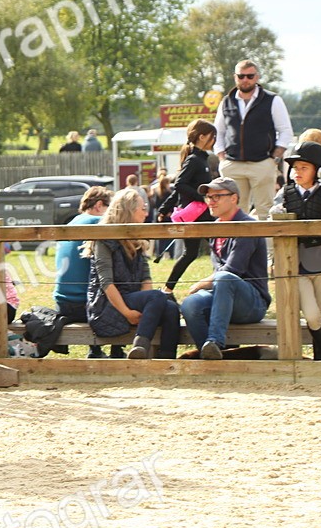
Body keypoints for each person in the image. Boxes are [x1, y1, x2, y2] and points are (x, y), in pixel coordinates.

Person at [179, 178, 271, 360]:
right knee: (190, 304)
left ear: (234, 198)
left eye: (217, 196)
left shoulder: (247, 226)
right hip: (222, 298)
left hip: (252, 303)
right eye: (208, 197)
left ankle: (215, 342)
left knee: (224, 278)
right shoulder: (216, 228)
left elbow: (233, 270)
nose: (211, 201)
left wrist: (201, 283)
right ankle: (211, 354)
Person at [83, 189, 181, 360]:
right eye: (142, 208)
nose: (146, 213)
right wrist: (128, 312)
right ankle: (139, 347)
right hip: (106, 305)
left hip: (129, 298)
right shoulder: (103, 239)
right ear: (129, 210)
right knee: (157, 297)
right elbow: (106, 283)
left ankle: (167, 360)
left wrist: (145, 305)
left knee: (170, 307)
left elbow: (145, 277)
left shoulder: (136, 237)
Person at [270, 142, 321, 360]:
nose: (297, 172)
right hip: (295, 262)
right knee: (311, 316)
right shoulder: (286, 192)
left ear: (317, 170)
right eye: (295, 167)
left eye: (304, 168)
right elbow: (274, 222)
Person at [213, 60, 294, 217]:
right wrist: (222, 158)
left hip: (262, 163)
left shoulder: (272, 100)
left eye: (250, 76)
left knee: (266, 211)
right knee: (233, 211)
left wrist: (273, 159)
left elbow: (285, 131)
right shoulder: (226, 101)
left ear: (257, 77)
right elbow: (218, 132)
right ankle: (237, 243)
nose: (245, 80)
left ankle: (267, 243)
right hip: (232, 163)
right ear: (235, 77)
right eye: (241, 76)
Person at [53, 186, 115, 358]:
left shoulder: (72, 222)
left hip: (61, 303)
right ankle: (117, 350)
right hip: (84, 306)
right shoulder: (98, 223)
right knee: (122, 291)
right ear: (99, 205)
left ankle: (95, 350)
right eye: (110, 208)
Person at [163, 119, 217, 294]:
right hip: (199, 214)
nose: (214, 140)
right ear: (202, 137)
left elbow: (181, 187)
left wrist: (165, 207)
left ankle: (167, 289)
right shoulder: (195, 160)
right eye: (212, 136)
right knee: (218, 246)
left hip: (200, 213)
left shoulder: (200, 159)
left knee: (193, 253)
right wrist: (203, 197)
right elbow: (180, 184)